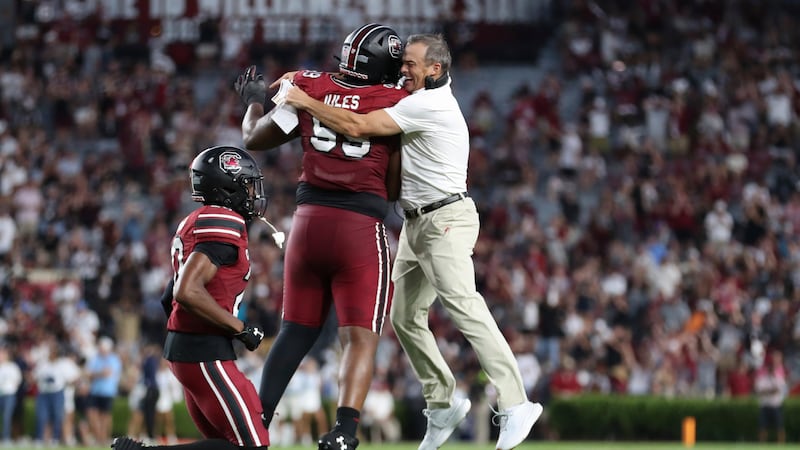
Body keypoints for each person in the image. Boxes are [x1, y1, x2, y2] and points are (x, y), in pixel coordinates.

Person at [278, 32, 543, 450]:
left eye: (411, 66)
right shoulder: (415, 94)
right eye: (402, 65)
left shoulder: (428, 104)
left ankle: (516, 402)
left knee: (464, 306)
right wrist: (304, 77)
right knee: (403, 317)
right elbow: (358, 90)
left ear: (435, 69)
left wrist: (304, 99)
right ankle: (441, 405)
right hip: (418, 223)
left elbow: (357, 123)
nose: (403, 71)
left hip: (445, 218)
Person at [235, 23, 407, 450]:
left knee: (294, 328)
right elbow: (394, 186)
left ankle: (257, 420)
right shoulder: (399, 102)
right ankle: (344, 432)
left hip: (307, 224)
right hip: (359, 228)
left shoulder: (311, 86)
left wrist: (255, 103)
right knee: (360, 336)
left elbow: (253, 138)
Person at [111, 145, 270, 450]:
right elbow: (186, 291)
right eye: (246, 184)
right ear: (228, 186)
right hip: (204, 351)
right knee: (251, 446)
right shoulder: (224, 223)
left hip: (187, 348)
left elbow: (168, 296)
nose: (251, 193)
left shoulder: (194, 220)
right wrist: (240, 329)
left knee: (223, 442)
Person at [754, 350, 787, 443]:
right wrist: (771, 391)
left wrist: (768, 391)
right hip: (765, 405)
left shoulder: (778, 377)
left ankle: (781, 444)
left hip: (776, 405)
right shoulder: (762, 378)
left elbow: (778, 390)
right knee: (762, 427)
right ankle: (762, 444)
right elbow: (760, 390)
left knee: (779, 427)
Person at [0, 345, 22, 445]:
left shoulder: (12, 366)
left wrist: (11, 388)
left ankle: (6, 438)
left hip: (9, 395)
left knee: (7, 416)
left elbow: (18, 380)